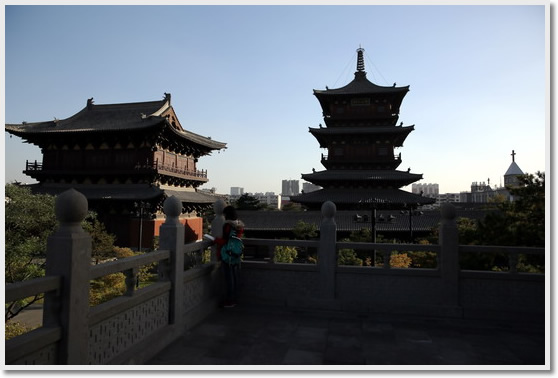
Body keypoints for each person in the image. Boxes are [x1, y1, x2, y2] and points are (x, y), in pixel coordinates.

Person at [214, 205, 244, 308]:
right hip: (236, 254)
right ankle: (234, 299)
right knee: (234, 277)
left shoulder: (228, 226)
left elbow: (225, 241)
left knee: (229, 278)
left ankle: (229, 300)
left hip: (227, 254)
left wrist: (215, 240)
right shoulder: (239, 226)